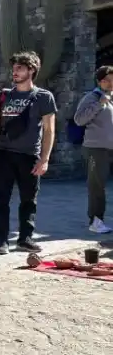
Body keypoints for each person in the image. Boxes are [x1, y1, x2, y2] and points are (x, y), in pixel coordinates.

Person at [0, 51, 57, 255]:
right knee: (1, 199)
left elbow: (50, 130)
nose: (14, 72)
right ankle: (2, 241)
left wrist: (45, 158)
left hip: (30, 155)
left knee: (29, 200)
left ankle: (25, 239)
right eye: (13, 68)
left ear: (31, 70)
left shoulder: (44, 97)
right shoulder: (4, 95)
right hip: (4, 155)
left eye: (20, 68)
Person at [73, 65, 113, 234]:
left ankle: (98, 219)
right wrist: (98, 104)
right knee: (97, 186)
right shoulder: (92, 97)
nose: (111, 83)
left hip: (108, 148)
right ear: (99, 81)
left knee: (101, 184)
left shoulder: (110, 98)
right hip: (96, 149)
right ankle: (95, 221)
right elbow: (79, 119)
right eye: (107, 80)